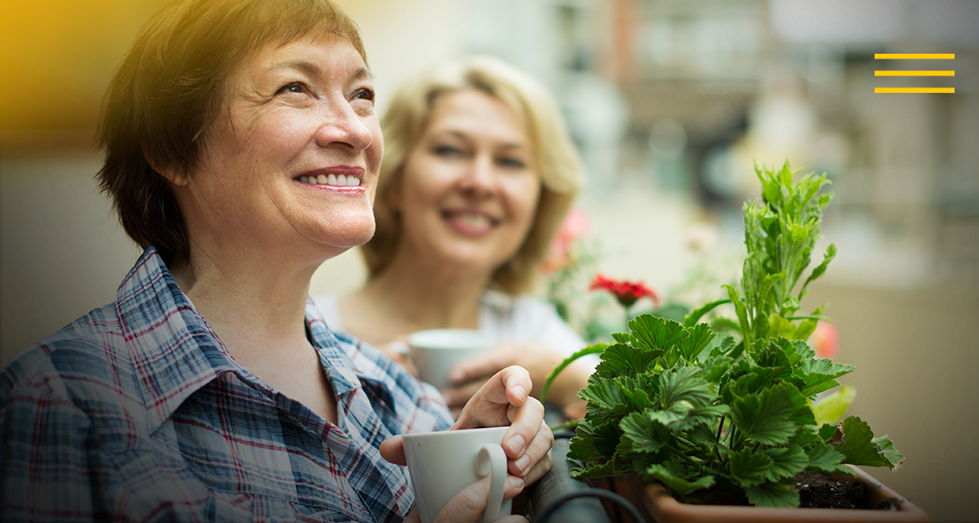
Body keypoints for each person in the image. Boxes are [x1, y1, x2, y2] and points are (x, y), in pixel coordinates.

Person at [0, 1, 551, 522]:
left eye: (362, 94)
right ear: (171, 149)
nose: (357, 130)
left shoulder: (402, 396)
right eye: (296, 88)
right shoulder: (61, 401)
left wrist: (475, 460)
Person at [314, 56, 594, 419]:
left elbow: (660, 426)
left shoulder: (534, 332)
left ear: (538, 201)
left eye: (510, 162)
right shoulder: (312, 331)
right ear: (393, 180)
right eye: (449, 150)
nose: (480, 182)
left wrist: (562, 376)